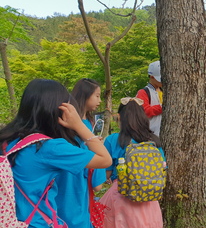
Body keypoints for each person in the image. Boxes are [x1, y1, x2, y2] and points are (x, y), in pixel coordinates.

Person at [0, 79, 112, 228]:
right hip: (38, 223)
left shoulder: (7, 139)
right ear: (58, 110)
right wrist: (79, 125)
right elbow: (105, 160)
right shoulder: (48, 147)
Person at [99, 97, 164, 228]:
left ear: (120, 117)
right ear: (143, 117)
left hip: (122, 195)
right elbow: (162, 167)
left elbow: (105, 173)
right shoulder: (154, 141)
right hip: (149, 199)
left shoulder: (113, 140)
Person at [53, 78, 108, 228]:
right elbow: (98, 184)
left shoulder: (60, 129)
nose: (99, 100)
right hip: (75, 203)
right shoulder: (83, 129)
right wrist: (97, 146)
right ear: (85, 95)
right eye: (97, 95)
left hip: (57, 204)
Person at [136, 60, 162, 136]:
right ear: (152, 77)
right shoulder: (143, 92)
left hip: (162, 132)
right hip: (150, 134)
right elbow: (145, 111)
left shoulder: (164, 91)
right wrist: (163, 107)